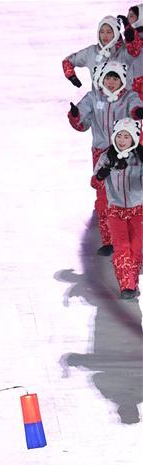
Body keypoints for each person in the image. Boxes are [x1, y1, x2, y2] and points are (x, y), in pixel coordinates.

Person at [68, 61, 143, 255]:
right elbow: (81, 124)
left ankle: (135, 243)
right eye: (108, 77)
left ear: (122, 80)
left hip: (129, 152)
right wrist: (75, 115)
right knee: (104, 195)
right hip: (102, 152)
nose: (111, 82)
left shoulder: (130, 97)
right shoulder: (93, 97)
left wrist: (137, 112)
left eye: (115, 78)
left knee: (133, 196)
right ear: (101, 78)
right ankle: (110, 239)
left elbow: (136, 108)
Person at [94, 118, 143, 299]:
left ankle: (132, 282)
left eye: (127, 136)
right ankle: (126, 286)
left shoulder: (141, 158)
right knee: (122, 248)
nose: (122, 140)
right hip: (115, 211)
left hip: (138, 210)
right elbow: (94, 183)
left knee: (136, 249)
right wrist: (100, 176)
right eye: (120, 136)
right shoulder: (107, 157)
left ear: (134, 139)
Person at [62, 16, 125, 88]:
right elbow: (68, 61)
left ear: (116, 34)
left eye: (109, 32)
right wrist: (71, 76)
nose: (105, 35)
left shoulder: (126, 52)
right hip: (97, 98)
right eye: (102, 32)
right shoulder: (91, 52)